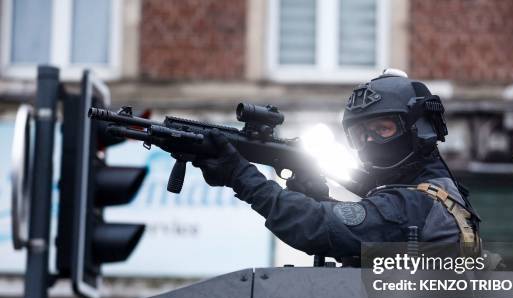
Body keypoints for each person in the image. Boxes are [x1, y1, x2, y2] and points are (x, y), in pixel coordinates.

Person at [193, 69, 481, 260]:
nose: (368, 142)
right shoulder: (437, 197)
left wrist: (241, 176)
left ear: (418, 128)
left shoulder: (415, 204)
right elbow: (359, 241)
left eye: (382, 130)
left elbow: (314, 227)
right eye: (359, 134)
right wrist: (319, 198)